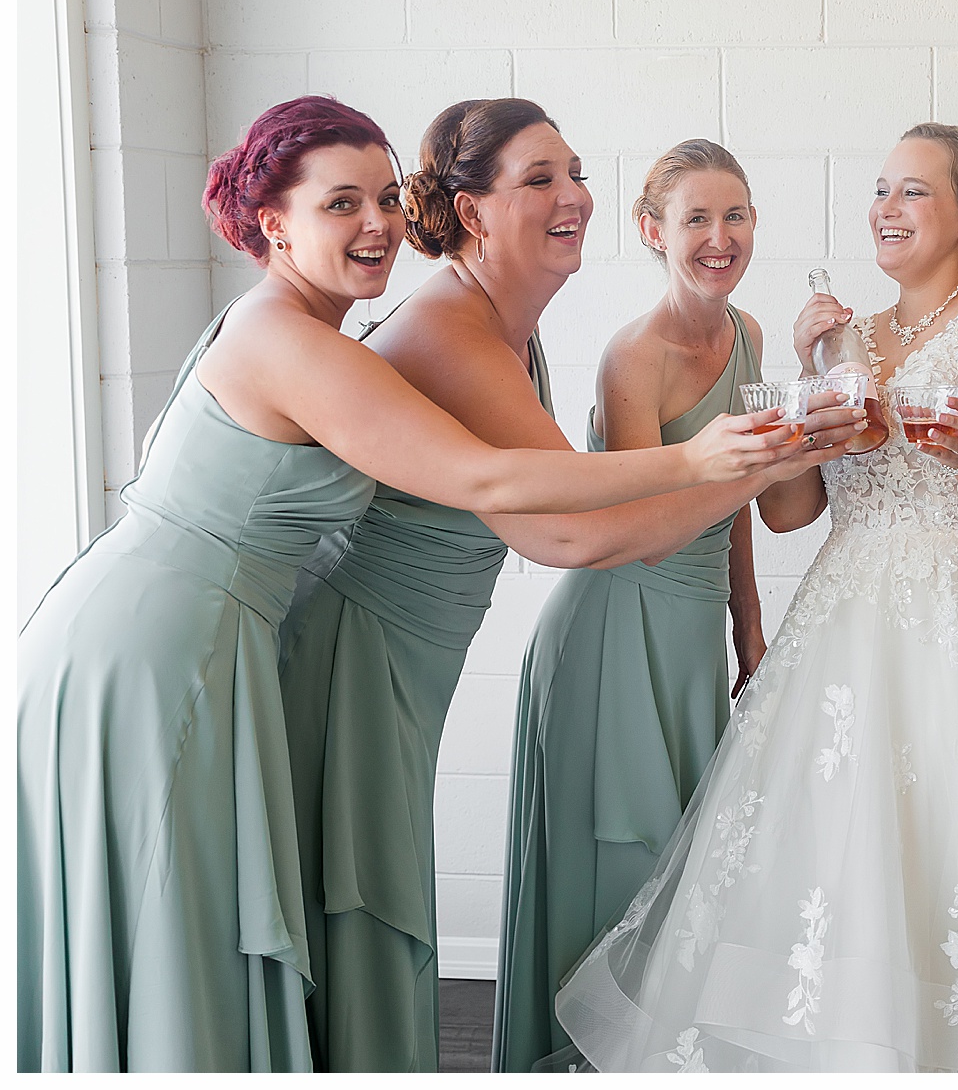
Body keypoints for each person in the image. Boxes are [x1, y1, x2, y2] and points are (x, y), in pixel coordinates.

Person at [17, 96, 788, 1073]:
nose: (378, 222)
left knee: (204, 927)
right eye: (341, 203)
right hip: (153, 650)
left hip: (209, 638)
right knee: (180, 933)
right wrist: (705, 461)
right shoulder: (290, 339)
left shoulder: (328, 330)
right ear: (272, 224)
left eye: (385, 196)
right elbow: (497, 483)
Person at [555, 124, 958, 1070]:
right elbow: (791, 511)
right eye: (880, 190)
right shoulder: (848, 333)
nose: (886, 208)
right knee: (849, 864)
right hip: (853, 621)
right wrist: (802, 398)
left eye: (913, 191)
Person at [277, 101, 842, 1073]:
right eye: (539, 179)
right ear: (471, 211)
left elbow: (695, 510)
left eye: (573, 172)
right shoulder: (467, 329)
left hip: (464, 651)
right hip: (407, 649)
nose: (572, 194)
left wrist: (748, 604)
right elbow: (579, 531)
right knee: (399, 909)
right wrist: (751, 460)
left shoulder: (512, 325)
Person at [492, 141, 849, 1071]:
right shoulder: (632, 356)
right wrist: (763, 459)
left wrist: (751, 634)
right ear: (653, 231)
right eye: (696, 218)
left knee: (690, 883)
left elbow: (766, 511)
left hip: (692, 637)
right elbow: (649, 523)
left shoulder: (753, 338)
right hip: (615, 632)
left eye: (736, 216)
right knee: (621, 873)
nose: (719, 237)